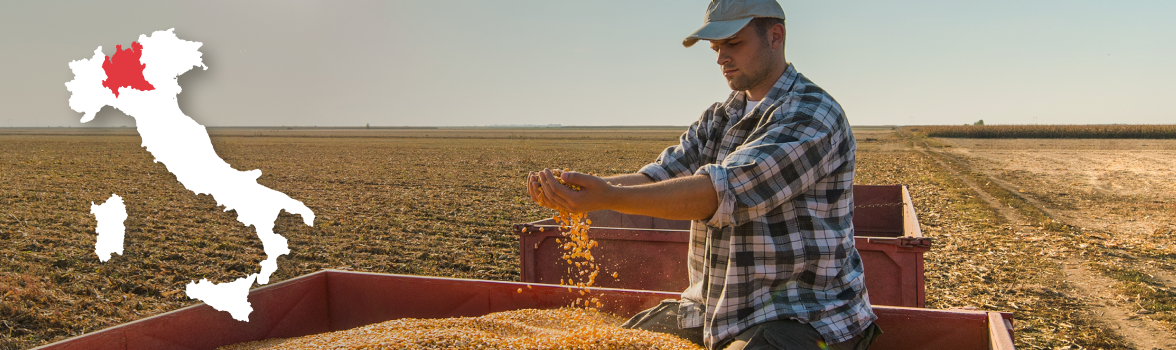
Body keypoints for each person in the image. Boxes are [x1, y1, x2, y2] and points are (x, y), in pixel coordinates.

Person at [525, 0, 881, 349]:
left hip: (800, 317)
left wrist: (608, 196)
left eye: (733, 43)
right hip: (715, 311)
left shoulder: (812, 113)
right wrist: (579, 190)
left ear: (776, 36)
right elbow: (660, 177)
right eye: (715, 47)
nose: (721, 58)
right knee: (612, 342)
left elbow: (720, 194)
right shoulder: (721, 116)